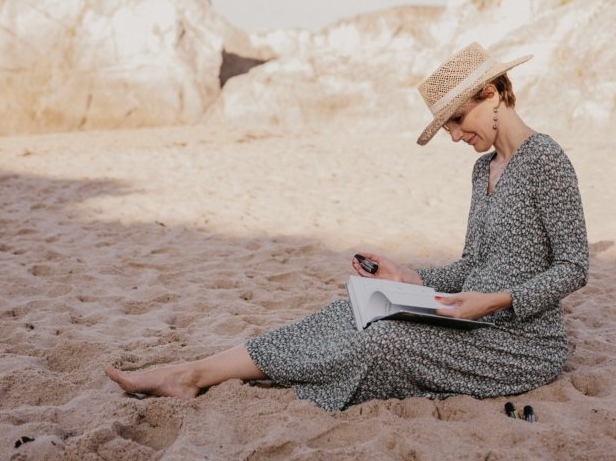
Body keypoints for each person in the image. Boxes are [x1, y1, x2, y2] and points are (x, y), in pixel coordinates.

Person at [105, 42, 589, 411]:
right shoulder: (483, 170)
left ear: (490, 93)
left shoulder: (546, 160)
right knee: (351, 312)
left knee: (383, 338)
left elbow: (574, 267)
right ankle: (192, 373)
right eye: (450, 129)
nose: (459, 136)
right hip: (470, 318)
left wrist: (494, 301)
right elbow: (473, 264)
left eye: (459, 121)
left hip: (520, 342)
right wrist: (408, 279)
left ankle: (253, 382)